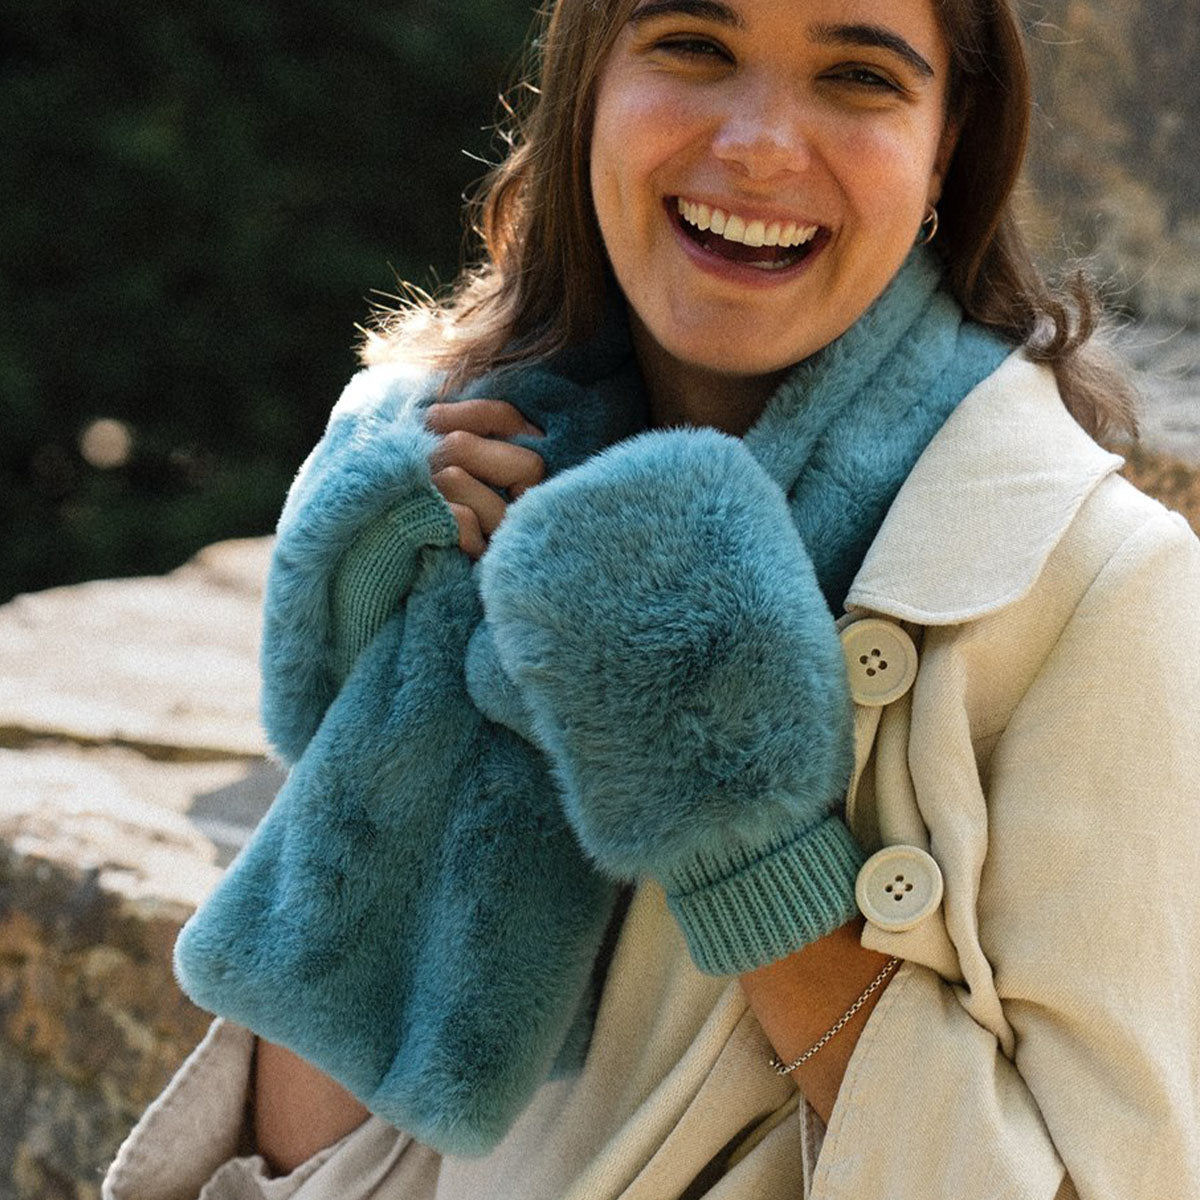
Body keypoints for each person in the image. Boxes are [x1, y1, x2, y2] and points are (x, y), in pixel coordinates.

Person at [104, 0, 1200, 1196]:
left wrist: (737, 829)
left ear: (948, 143)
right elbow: (311, 1153)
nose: (760, 145)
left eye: (858, 77)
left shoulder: (1098, 589)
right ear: (588, 87)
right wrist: (434, 660)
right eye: (694, 47)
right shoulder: (452, 454)